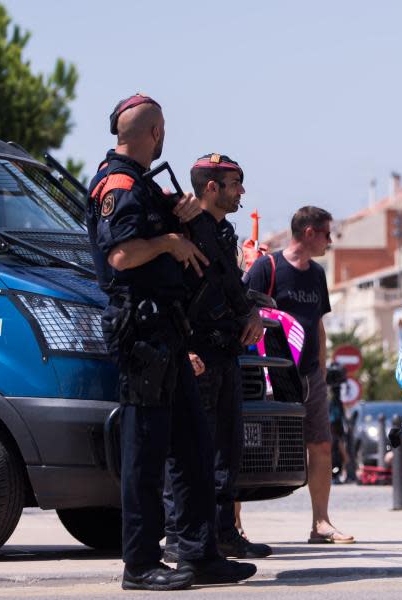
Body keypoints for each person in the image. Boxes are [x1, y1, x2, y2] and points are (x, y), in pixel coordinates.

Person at [87, 94, 255, 590]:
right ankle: (139, 564)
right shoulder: (118, 183)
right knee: (145, 451)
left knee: (194, 447)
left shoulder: (142, 184)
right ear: (156, 132)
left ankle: (200, 553)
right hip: (142, 333)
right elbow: (119, 256)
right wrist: (169, 242)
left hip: (168, 331)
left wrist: (177, 218)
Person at [161, 153, 269, 561]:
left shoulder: (223, 235)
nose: (241, 191)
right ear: (211, 187)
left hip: (226, 350)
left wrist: (252, 312)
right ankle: (178, 536)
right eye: (235, 183)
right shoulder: (181, 227)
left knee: (227, 449)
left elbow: (233, 287)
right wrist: (183, 347)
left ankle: (223, 531)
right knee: (189, 448)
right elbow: (169, 294)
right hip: (195, 351)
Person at [244, 206, 354, 544]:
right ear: (309, 233)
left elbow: (316, 322)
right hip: (271, 375)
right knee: (250, 449)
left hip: (309, 375)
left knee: (321, 445)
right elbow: (245, 311)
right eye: (326, 233)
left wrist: (320, 366)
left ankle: (320, 524)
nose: (329, 241)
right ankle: (232, 526)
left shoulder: (317, 274)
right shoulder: (268, 267)